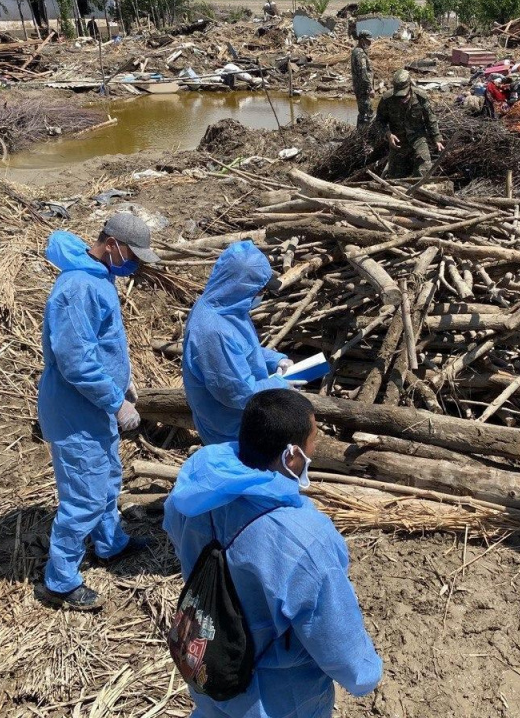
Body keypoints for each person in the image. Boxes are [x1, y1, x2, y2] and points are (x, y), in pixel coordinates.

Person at [163, 389, 383, 717]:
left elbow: (175, 534)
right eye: (313, 439)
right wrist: (364, 676)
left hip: (207, 658)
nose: (315, 447)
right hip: (276, 693)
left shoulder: (197, 486)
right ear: (292, 456)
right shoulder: (304, 537)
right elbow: (335, 636)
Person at [34, 213, 161, 610]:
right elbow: (75, 362)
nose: (135, 264)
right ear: (112, 244)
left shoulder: (98, 275)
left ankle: (110, 543)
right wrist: (115, 401)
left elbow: (102, 344)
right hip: (76, 411)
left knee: (106, 478)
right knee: (84, 497)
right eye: (133, 255)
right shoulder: (78, 287)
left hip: (94, 405)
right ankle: (60, 581)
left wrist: (124, 379)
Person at [182, 241, 291, 447]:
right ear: (242, 287)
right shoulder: (214, 331)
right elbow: (239, 393)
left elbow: (243, 349)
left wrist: (275, 359)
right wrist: (280, 384)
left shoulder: (229, 307)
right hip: (230, 432)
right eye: (260, 290)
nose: (261, 295)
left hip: (246, 420)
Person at [374, 68, 444, 179]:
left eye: (404, 96)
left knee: (424, 173)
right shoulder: (387, 99)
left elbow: (430, 118)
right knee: (395, 179)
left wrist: (436, 139)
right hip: (398, 142)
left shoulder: (421, 97)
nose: (402, 99)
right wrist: (388, 135)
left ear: (409, 87)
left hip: (418, 139)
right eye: (399, 96)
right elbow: (379, 121)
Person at [350, 30, 374, 127]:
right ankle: (363, 137)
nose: (370, 43)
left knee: (363, 112)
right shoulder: (360, 54)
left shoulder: (356, 51)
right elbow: (363, 73)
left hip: (359, 87)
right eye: (368, 41)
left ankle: (360, 135)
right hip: (363, 88)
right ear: (362, 40)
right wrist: (370, 88)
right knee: (367, 113)